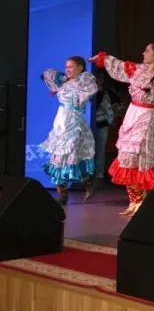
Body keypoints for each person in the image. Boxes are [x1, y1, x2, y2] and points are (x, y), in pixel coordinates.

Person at [88, 43, 154, 216]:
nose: (143, 53)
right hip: (132, 115)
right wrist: (104, 58)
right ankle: (133, 200)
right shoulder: (137, 69)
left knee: (142, 158)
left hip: (148, 117)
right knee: (127, 157)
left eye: (147, 51)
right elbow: (120, 66)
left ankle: (142, 200)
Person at [39, 57, 99, 205]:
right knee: (58, 160)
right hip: (61, 124)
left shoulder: (84, 82)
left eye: (71, 67)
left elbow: (91, 89)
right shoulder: (63, 82)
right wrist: (63, 78)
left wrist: (79, 78)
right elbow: (47, 74)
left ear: (80, 67)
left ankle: (89, 183)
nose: (67, 70)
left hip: (74, 124)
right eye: (66, 67)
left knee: (73, 158)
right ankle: (63, 195)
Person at [92, 70, 120, 185]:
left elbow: (118, 105)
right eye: (97, 78)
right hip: (87, 124)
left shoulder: (108, 92)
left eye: (101, 78)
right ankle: (88, 174)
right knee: (88, 150)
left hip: (102, 123)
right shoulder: (88, 90)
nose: (99, 80)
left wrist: (112, 110)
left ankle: (99, 175)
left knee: (100, 150)